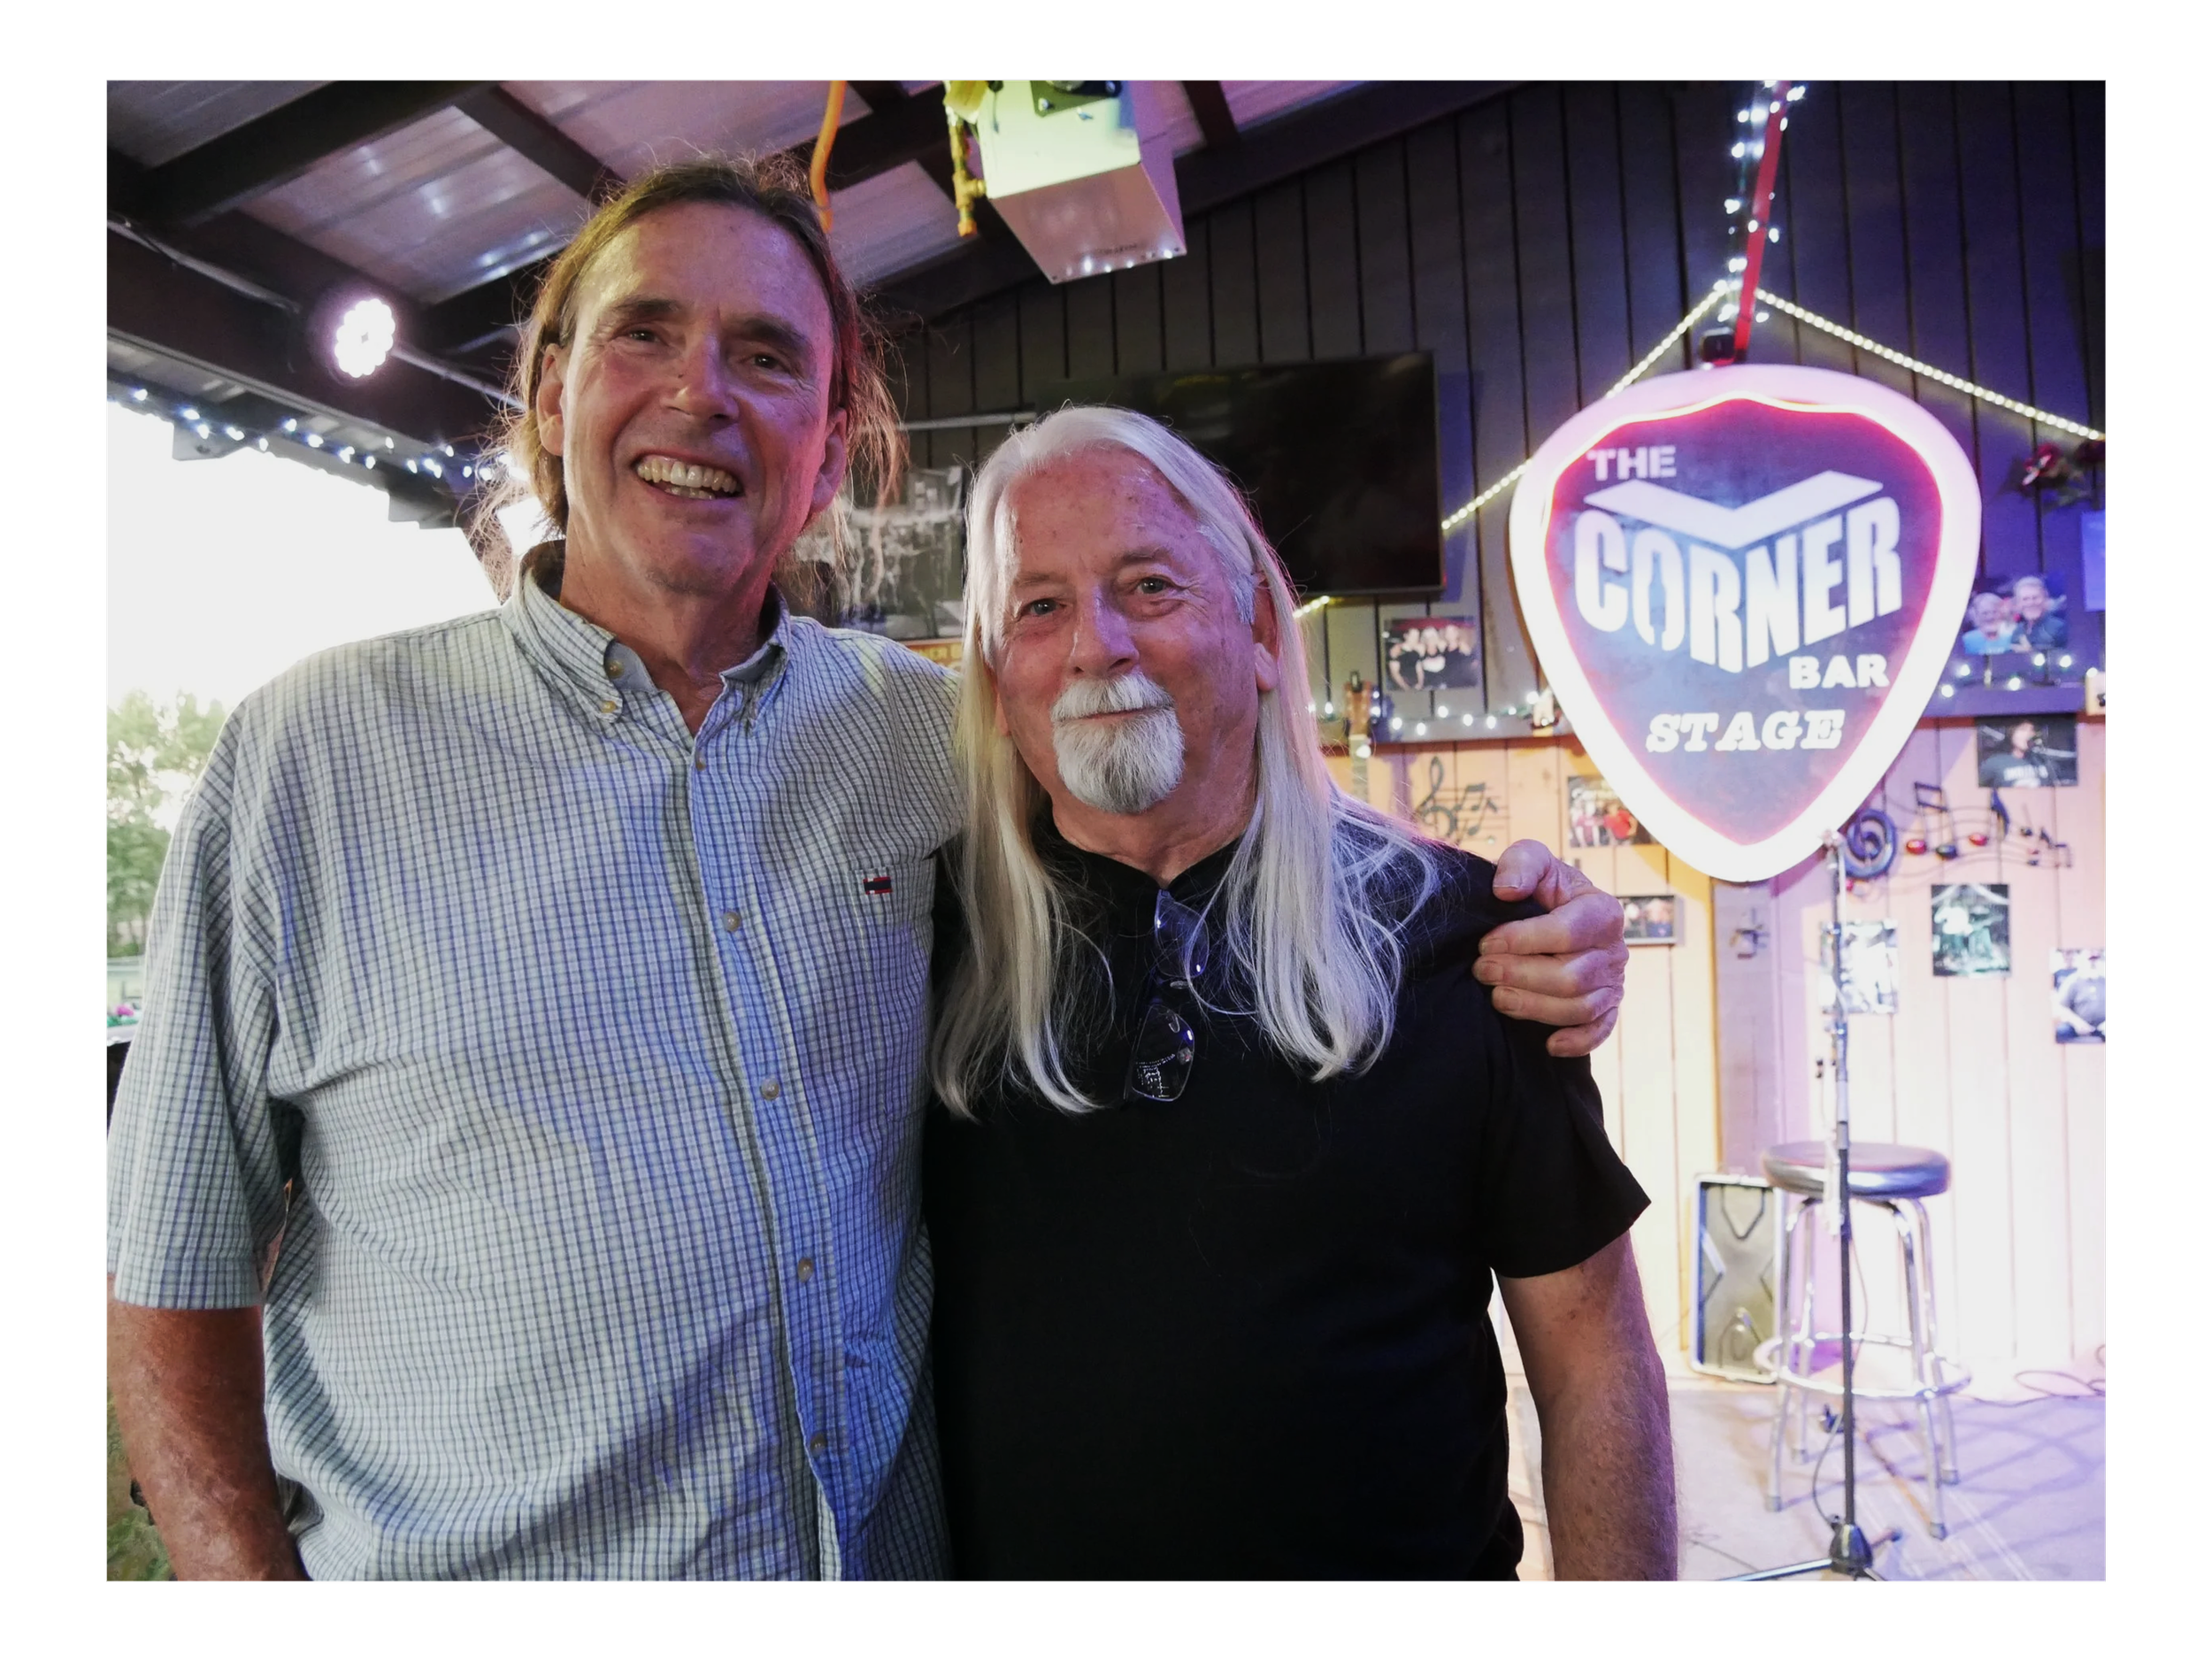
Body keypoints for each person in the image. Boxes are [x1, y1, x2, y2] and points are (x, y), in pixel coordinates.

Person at [105, 156, 1629, 1582]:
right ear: (552, 386)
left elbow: (1195, 786)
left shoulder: (928, 739)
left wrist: (1526, 909)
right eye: (646, 333)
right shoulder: (314, 755)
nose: (701, 395)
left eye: (767, 356)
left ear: (831, 447)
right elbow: (168, 1267)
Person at [922, 407, 1673, 1580]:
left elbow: (1592, 1361)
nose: (1095, 645)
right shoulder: (925, 950)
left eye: (1150, 585)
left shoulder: (1473, 945)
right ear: (993, 675)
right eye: (1040, 605)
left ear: (1261, 628)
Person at [1980, 719, 2056, 788]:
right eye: (2023, 729)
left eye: (2032, 730)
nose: (2028, 734)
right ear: (2011, 733)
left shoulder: (2044, 761)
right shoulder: (1994, 763)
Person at [2009, 573, 2069, 652]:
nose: (2030, 603)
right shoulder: (2017, 631)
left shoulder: (2059, 628)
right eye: (2025, 599)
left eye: (2035, 598)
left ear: (2045, 599)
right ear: (2018, 603)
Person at [2055, 951, 2106, 1038]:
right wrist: (2077, 1023)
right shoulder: (2071, 981)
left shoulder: (2104, 981)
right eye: (2089, 959)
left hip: (2103, 1027)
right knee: (2061, 1032)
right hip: (2078, 1026)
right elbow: (2062, 1007)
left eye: (2095, 959)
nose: (2093, 963)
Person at [1960, 591, 2019, 656]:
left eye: (1994, 612)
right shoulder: (1967, 640)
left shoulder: (2013, 637)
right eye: (1985, 613)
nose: (1990, 617)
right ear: (1976, 615)